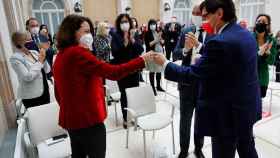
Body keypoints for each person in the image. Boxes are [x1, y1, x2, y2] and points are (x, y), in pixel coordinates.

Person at [152, 0, 261, 158]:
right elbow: (225, 60)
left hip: (227, 114)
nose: (203, 21)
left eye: (205, 16)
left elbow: (192, 75)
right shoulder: (245, 34)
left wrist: (165, 64)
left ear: (219, 13)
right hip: (246, 108)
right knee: (247, 149)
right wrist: (199, 46)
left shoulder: (221, 41)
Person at [53, 14, 152, 158]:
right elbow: (113, 72)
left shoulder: (61, 55)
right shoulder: (78, 53)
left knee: (78, 154)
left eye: (90, 32)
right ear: (71, 32)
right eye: (85, 32)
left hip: (71, 120)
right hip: (88, 120)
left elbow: (58, 92)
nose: (89, 36)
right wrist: (141, 60)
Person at [173, 2, 211, 158]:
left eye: (200, 14)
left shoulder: (214, 32)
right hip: (187, 83)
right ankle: (183, 149)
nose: (197, 17)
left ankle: (199, 147)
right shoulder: (186, 31)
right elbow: (175, 54)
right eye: (194, 14)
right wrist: (185, 50)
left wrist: (201, 48)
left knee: (201, 119)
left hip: (204, 85)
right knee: (185, 119)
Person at [110, 14, 144, 128]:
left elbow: (140, 49)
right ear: (119, 24)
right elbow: (115, 53)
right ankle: (126, 118)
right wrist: (124, 42)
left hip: (134, 70)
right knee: (124, 95)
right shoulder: (115, 36)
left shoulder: (134, 33)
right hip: (122, 70)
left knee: (133, 95)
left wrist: (133, 39)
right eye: (122, 22)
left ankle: (134, 117)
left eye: (126, 21)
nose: (125, 24)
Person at [10, 31, 50, 109]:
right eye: (27, 40)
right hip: (31, 96)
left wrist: (44, 55)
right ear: (19, 43)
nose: (31, 42)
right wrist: (40, 61)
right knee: (36, 118)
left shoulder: (34, 52)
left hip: (44, 91)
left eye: (31, 40)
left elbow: (47, 70)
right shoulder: (15, 58)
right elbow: (27, 77)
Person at [253, 14, 277, 98]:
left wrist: (267, 54)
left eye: (263, 21)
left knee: (258, 102)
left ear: (267, 26)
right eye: (258, 21)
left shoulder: (271, 40)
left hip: (262, 79)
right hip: (249, 76)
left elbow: (271, 61)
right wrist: (259, 54)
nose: (260, 23)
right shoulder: (249, 37)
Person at [144, 19, 165, 96]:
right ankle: (152, 87)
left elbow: (162, 43)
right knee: (152, 71)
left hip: (160, 53)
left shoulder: (157, 32)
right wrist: (156, 40)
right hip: (152, 54)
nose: (153, 25)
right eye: (151, 24)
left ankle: (158, 86)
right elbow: (149, 45)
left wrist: (162, 41)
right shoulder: (147, 33)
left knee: (159, 70)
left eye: (154, 24)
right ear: (149, 25)